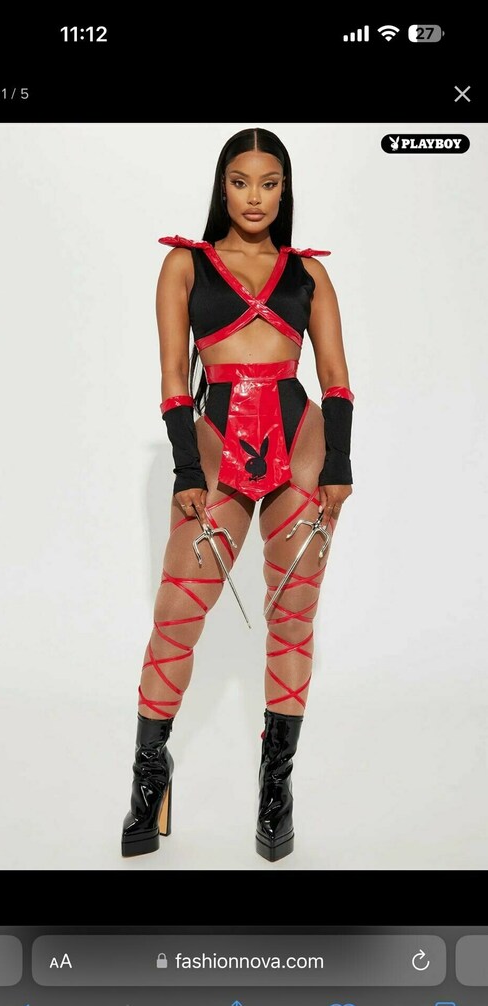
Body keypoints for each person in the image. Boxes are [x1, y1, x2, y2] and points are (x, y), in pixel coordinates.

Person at [121, 127, 355, 862]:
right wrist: (186, 471)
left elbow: (336, 379)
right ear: (222, 187)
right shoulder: (184, 264)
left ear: (285, 191)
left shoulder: (309, 274)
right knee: (175, 616)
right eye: (241, 181)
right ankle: (149, 779)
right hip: (215, 444)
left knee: (293, 618)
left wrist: (339, 464)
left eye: (270, 183)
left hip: (301, 445)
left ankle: (275, 790)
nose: (255, 197)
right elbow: (172, 379)